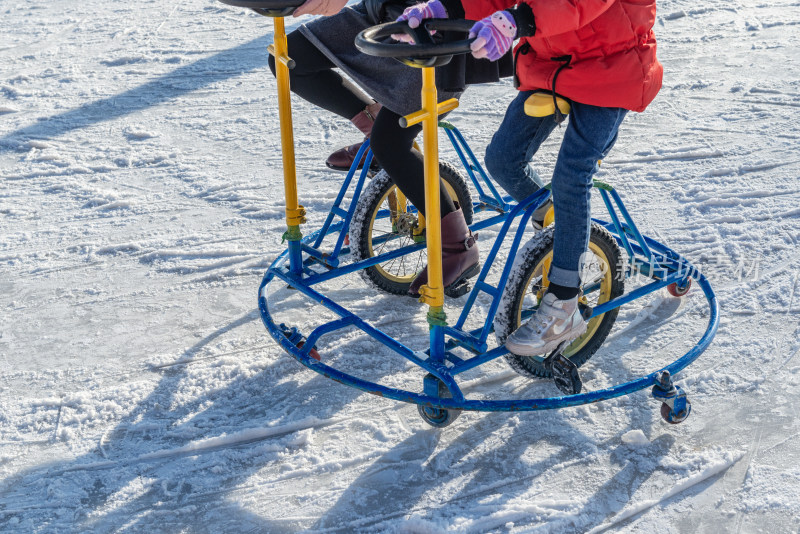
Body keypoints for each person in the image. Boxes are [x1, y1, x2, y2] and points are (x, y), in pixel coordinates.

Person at [445, 0, 663, 355]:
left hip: (612, 66)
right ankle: (561, 221)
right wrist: (447, 6)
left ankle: (564, 302)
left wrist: (521, 19)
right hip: (553, 62)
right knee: (502, 159)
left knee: (572, 178)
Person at [270, 0, 512, 297]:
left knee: (391, 142)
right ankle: (373, 123)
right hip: (380, 13)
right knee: (290, 57)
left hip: (440, 31)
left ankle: (458, 247)